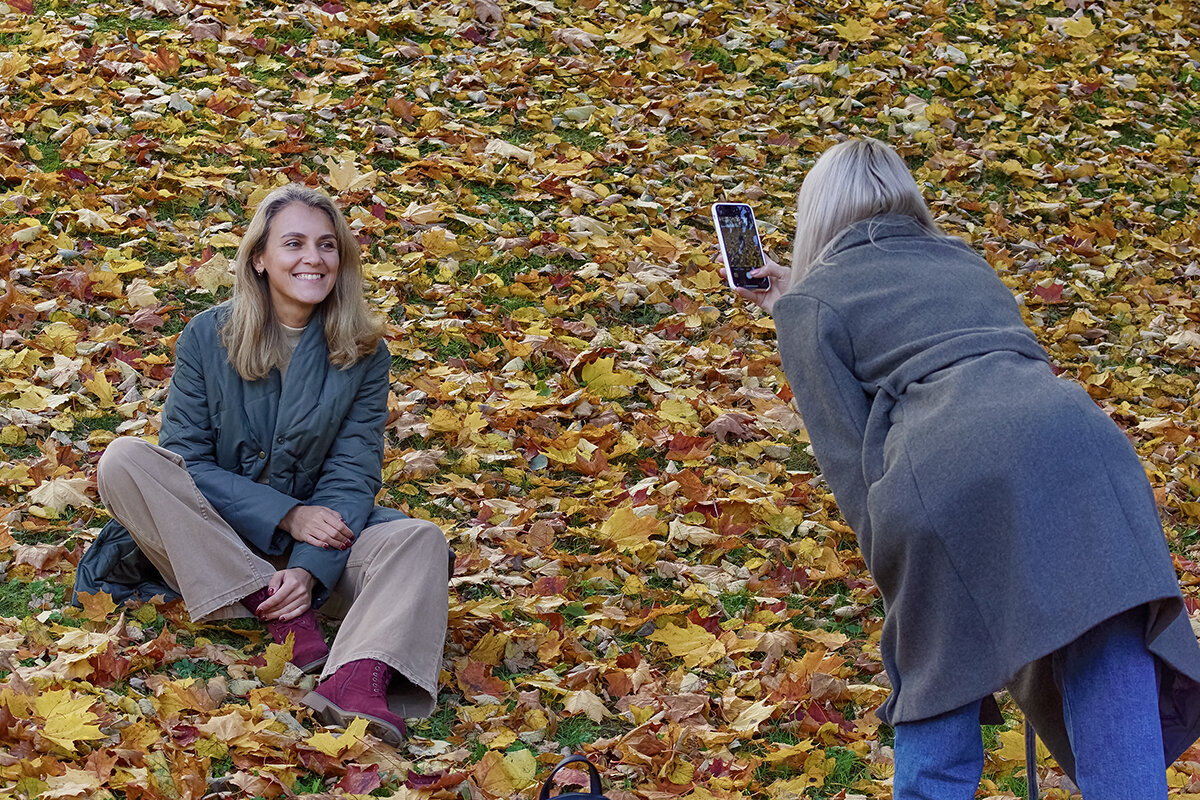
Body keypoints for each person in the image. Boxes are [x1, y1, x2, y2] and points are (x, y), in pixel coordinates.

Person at [734, 138, 1200, 798]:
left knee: (938, 670)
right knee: (1104, 641)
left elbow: (856, 478)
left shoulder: (813, 305)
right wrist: (794, 299)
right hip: (1088, 451)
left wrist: (916, 602)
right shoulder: (963, 259)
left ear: (817, 214)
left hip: (945, 471)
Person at [81, 184, 450, 746]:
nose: (313, 258)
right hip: (208, 542)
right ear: (260, 257)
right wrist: (287, 515)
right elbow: (187, 462)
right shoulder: (208, 335)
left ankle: (354, 679)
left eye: (327, 245)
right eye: (294, 243)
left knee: (421, 540)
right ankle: (273, 607)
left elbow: (353, 473)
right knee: (125, 459)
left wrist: (306, 569)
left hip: (325, 547)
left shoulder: (363, 352)